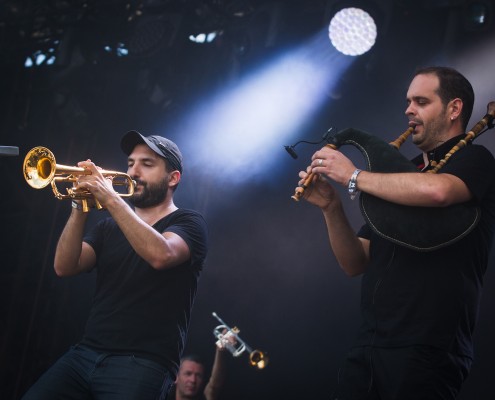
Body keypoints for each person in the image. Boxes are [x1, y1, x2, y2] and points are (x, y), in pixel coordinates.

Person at [297, 66, 495, 399]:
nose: (408, 110)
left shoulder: (476, 159)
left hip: (429, 347)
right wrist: (331, 207)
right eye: (408, 101)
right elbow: (355, 262)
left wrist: (354, 176)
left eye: (421, 101)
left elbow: (438, 192)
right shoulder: (404, 175)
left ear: (454, 109)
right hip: (371, 342)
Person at [22, 131, 208, 399]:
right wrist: (79, 203)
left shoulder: (190, 222)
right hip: (85, 353)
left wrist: (110, 198)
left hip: (143, 362)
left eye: (147, 164)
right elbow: (65, 266)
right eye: (131, 163)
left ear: (173, 178)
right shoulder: (110, 227)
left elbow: (161, 255)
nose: (134, 171)